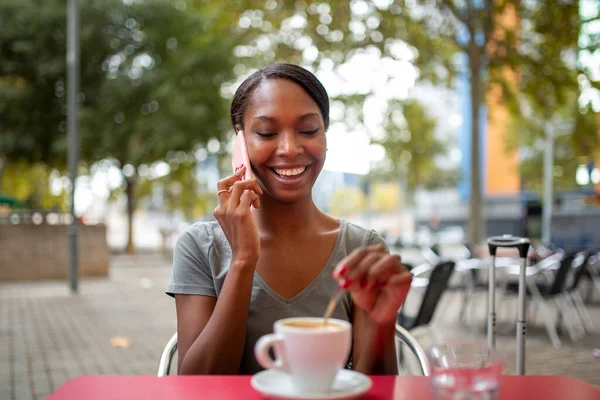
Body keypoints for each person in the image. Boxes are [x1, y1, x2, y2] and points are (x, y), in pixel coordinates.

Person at [166, 63, 413, 376]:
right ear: (239, 145)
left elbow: (374, 388)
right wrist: (243, 259)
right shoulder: (200, 247)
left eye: (309, 130)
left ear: (325, 137)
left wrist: (382, 321)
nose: (290, 148)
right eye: (267, 133)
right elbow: (196, 388)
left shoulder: (361, 249)